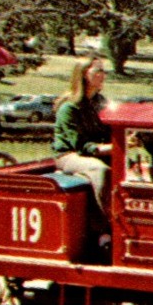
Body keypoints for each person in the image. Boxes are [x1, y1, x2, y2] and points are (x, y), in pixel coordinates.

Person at [52, 57, 111, 211]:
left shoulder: (100, 102)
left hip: (96, 153)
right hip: (69, 156)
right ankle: (105, 224)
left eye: (104, 71)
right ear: (84, 74)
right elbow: (80, 146)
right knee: (100, 170)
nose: (103, 75)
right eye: (98, 71)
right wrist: (110, 149)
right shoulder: (69, 108)